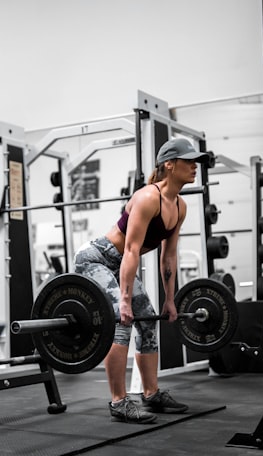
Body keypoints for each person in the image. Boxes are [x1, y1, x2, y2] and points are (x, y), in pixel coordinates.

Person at [73, 137, 210, 423]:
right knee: (120, 322)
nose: (194, 166)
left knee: (147, 321)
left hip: (120, 263)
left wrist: (170, 299)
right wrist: (123, 301)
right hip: (96, 259)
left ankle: (151, 393)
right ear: (169, 165)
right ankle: (119, 401)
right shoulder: (148, 198)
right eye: (189, 161)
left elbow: (168, 257)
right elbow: (131, 250)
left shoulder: (180, 206)